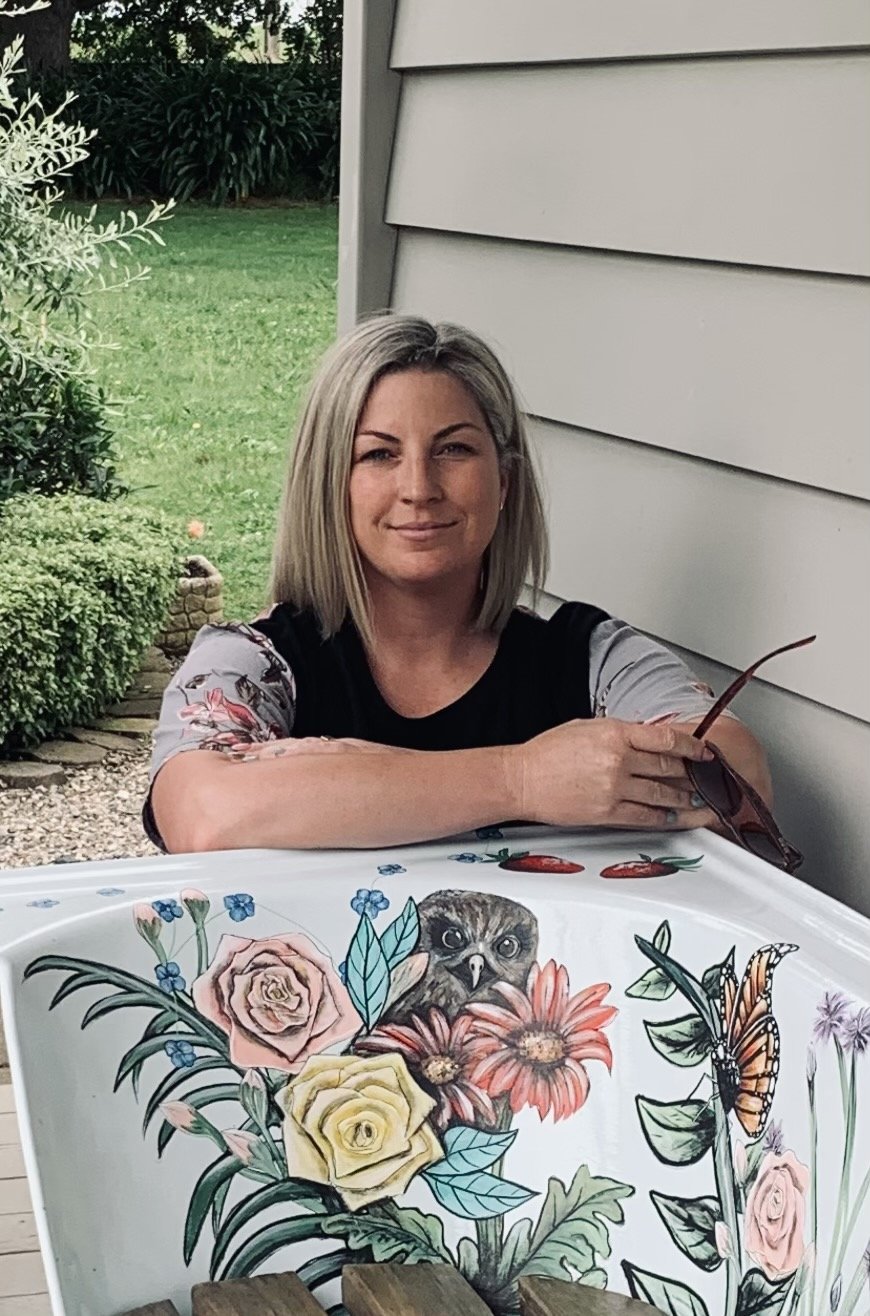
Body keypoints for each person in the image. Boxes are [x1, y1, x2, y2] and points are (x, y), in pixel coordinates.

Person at [146, 315, 771, 854]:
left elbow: (735, 776)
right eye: (378, 455)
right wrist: (520, 779)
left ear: (506, 482)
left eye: (454, 450)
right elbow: (204, 813)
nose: (419, 488)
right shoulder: (254, 662)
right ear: (328, 484)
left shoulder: (589, 661)